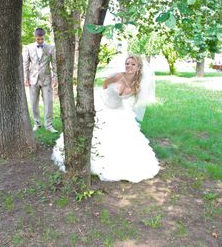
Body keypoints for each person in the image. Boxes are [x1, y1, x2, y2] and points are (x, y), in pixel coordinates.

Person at [52, 54, 159, 183]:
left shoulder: (138, 85)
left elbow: (136, 101)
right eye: (127, 63)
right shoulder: (118, 76)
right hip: (102, 105)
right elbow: (105, 84)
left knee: (122, 138)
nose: (129, 66)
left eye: (133, 64)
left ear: (138, 67)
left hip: (119, 110)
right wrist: (107, 98)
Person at [23, 28, 58, 133]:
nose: (40, 41)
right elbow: (26, 64)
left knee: (48, 102)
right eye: (38, 39)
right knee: (33, 103)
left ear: (44, 37)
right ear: (35, 37)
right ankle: (37, 123)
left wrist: (55, 77)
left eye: (42, 39)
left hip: (46, 79)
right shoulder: (28, 48)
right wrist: (25, 78)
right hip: (33, 79)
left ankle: (49, 125)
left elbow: (54, 63)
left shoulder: (51, 47)